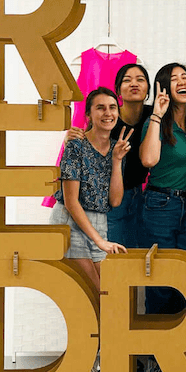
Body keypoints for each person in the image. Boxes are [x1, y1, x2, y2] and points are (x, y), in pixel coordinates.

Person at [49, 86, 133, 372]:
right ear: (88, 114)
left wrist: (117, 161)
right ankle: (87, 370)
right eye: (100, 108)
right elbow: (72, 202)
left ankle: (95, 366)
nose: (108, 113)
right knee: (92, 297)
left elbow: (115, 200)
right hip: (71, 221)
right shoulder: (76, 145)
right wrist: (99, 241)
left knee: (105, 298)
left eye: (112, 107)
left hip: (98, 220)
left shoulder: (115, 148)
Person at [139, 63, 186, 372]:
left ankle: (178, 347)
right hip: (160, 204)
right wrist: (156, 115)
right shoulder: (156, 121)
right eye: (174, 78)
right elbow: (148, 160)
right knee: (161, 280)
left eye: (185, 76)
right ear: (163, 87)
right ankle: (158, 355)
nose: (182, 81)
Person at [64, 64, 152, 248]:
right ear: (118, 90)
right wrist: (69, 141)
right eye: (127, 80)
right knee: (112, 254)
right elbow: (86, 143)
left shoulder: (153, 115)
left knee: (136, 253)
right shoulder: (109, 119)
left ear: (148, 88)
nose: (134, 84)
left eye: (140, 79)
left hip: (140, 197)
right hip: (108, 199)